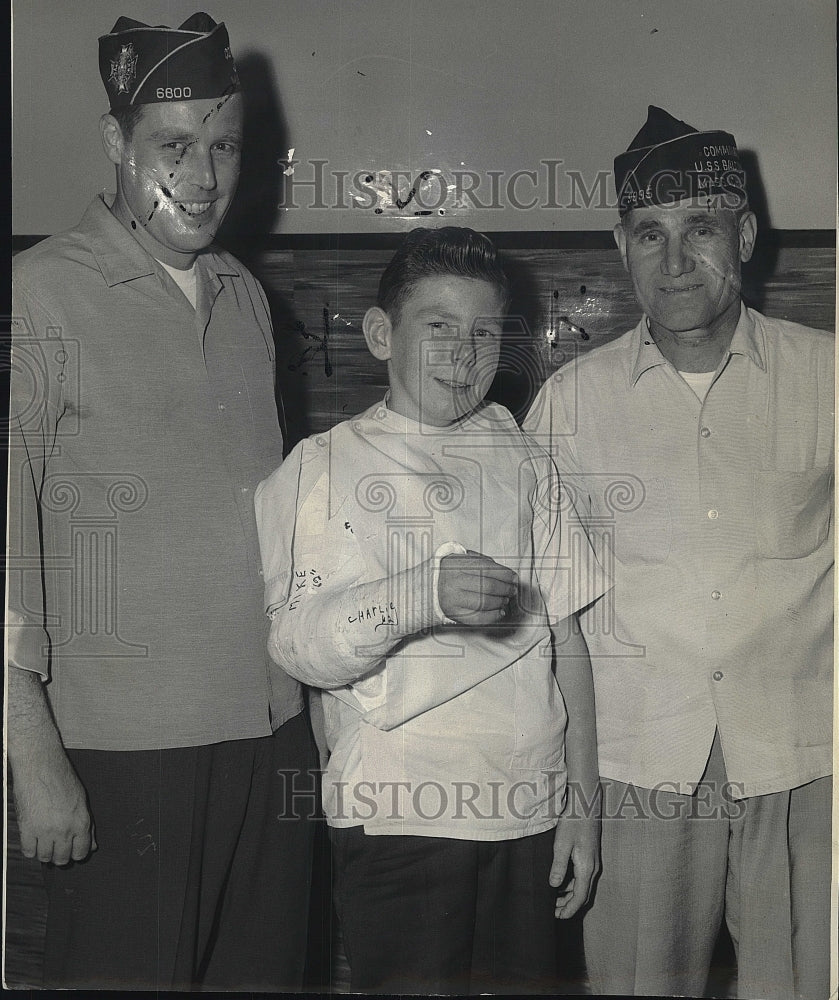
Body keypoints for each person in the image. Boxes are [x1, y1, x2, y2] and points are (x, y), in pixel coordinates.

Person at [7, 13, 314, 991]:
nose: (202, 175)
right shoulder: (40, 294)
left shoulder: (247, 298)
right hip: (122, 748)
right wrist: (31, 752)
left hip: (269, 732)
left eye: (223, 147)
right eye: (172, 147)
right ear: (116, 144)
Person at [525, 105, 833, 1000]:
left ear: (742, 234)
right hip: (636, 765)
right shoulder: (568, 405)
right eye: (648, 234)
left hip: (805, 760)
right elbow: (542, 617)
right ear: (620, 249)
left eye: (699, 228)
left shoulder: (827, 379)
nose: (673, 260)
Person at [255, 227, 609, 994]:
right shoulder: (323, 466)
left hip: (530, 811)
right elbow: (296, 645)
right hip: (401, 823)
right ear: (382, 334)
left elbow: (569, 637)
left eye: (484, 331)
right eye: (438, 326)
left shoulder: (522, 456)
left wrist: (582, 807)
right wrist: (422, 594)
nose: (464, 351)